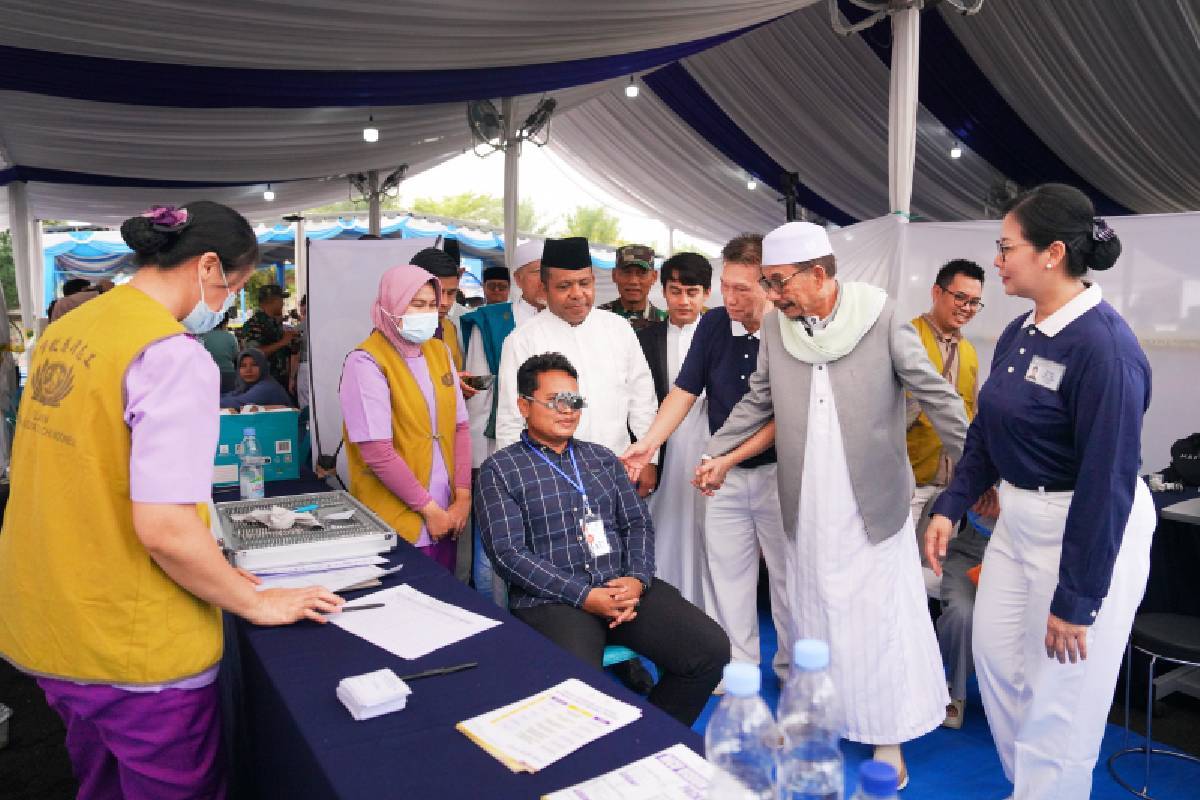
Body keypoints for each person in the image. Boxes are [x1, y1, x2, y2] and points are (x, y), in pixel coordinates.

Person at [0, 202, 342, 799]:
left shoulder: (71, 328)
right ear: (208, 266)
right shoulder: (170, 354)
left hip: (46, 618)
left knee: (99, 781)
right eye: (234, 286)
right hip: (131, 644)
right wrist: (253, 602)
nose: (228, 301)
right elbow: (164, 527)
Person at [696, 221, 969, 786]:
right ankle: (828, 719)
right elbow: (759, 400)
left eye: (778, 283)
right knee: (815, 616)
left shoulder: (881, 314)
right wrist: (717, 451)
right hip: (807, 503)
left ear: (818, 274)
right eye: (768, 284)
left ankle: (887, 740)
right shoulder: (778, 327)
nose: (771, 296)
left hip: (872, 504)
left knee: (876, 622)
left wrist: (978, 470)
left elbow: (935, 395)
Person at [926, 183, 1156, 799]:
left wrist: (1078, 598)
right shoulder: (1021, 331)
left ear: (1052, 253)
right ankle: (1029, 786)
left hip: (1086, 528)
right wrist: (952, 503)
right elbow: (985, 432)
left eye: (1006, 248)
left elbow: (1108, 483)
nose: (997, 260)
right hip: (1020, 525)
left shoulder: (1105, 348)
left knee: (1061, 700)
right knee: (1001, 666)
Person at [476, 352, 729, 725]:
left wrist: (636, 580)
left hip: (621, 585)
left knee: (709, 651)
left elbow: (637, 525)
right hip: (553, 599)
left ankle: (653, 736)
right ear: (523, 406)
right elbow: (508, 554)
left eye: (575, 401)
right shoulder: (500, 470)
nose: (568, 411)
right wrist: (585, 596)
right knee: (581, 691)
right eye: (556, 401)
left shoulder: (602, 459)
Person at [622, 235, 794, 680]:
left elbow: (782, 415)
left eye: (743, 288)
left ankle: (791, 665)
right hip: (724, 475)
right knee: (727, 574)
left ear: (770, 283)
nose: (730, 298)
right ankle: (738, 664)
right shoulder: (715, 324)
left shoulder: (790, 329)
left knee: (787, 576)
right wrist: (649, 443)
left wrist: (727, 457)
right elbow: (684, 391)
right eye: (727, 285)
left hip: (780, 473)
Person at [339, 264, 471, 572]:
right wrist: (429, 510)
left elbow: (460, 428)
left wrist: (462, 497)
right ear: (391, 305)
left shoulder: (439, 351)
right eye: (416, 304)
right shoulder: (366, 361)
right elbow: (377, 452)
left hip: (448, 514)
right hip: (400, 518)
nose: (426, 313)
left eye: (431, 305)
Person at [495, 236, 657, 458]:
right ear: (544, 289)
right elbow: (510, 418)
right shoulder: (522, 340)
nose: (577, 294)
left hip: (617, 463)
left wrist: (649, 459)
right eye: (564, 286)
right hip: (549, 469)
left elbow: (642, 400)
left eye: (584, 283)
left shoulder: (618, 328)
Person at [459, 239, 544, 601]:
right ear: (519, 279)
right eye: (539, 274)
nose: (546, 281)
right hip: (497, 448)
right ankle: (492, 617)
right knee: (493, 542)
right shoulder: (492, 321)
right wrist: (482, 458)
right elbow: (480, 392)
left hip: (550, 449)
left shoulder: (568, 321)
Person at [632, 253, 713, 613]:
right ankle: (666, 607)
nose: (683, 301)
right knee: (664, 525)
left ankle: (709, 608)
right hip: (663, 447)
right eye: (676, 291)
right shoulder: (645, 338)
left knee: (710, 529)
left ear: (707, 294)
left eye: (692, 292)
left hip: (713, 445)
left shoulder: (724, 335)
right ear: (663, 292)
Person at [907, 259, 986, 596]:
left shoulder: (969, 352)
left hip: (949, 485)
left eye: (974, 302)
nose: (966, 308)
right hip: (908, 478)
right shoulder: (907, 336)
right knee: (893, 568)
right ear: (937, 291)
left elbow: (972, 414)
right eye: (960, 298)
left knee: (934, 574)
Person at [410, 246, 465, 372]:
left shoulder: (450, 328)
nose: (445, 303)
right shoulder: (396, 334)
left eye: (451, 293)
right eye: (437, 292)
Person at [241, 283, 298, 390]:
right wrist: (282, 342)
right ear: (273, 301)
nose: (283, 303)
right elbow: (254, 353)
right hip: (262, 384)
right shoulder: (254, 324)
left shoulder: (275, 324)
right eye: (281, 300)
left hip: (279, 381)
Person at [598, 244, 668, 331]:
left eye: (641, 273)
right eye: (627, 272)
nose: (633, 281)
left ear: (654, 277)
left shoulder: (665, 323)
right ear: (614, 275)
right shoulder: (597, 319)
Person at [220, 348, 294, 409]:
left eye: (254, 365)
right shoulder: (246, 386)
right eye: (243, 366)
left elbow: (237, 403)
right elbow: (232, 395)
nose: (248, 370)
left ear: (263, 367)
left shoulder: (267, 387)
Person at [200, 310, 239, 393]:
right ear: (226, 322)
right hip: (229, 374)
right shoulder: (230, 337)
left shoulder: (203, 337)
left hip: (209, 374)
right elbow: (235, 356)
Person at [49, 278, 115, 322]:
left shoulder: (59, 304)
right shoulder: (67, 302)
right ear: (84, 290)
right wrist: (100, 287)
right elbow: (108, 287)